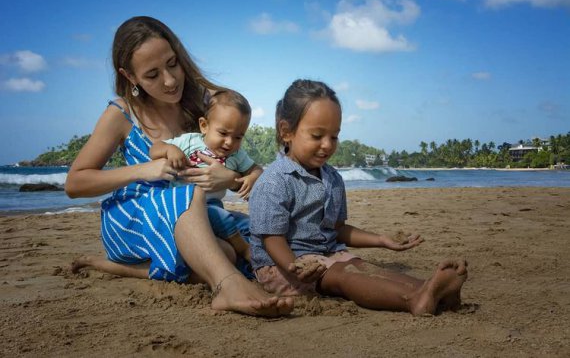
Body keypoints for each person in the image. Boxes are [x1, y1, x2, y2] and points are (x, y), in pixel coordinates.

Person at [64, 16, 293, 317]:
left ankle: (135, 269)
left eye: (173, 64)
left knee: (230, 248)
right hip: (133, 218)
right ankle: (228, 286)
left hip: (197, 219)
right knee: (192, 202)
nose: (170, 81)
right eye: (152, 75)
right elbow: (75, 184)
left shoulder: (204, 104)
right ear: (130, 77)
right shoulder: (121, 113)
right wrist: (143, 170)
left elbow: (251, 169)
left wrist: (233, 179)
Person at [248, 79, 467, 316]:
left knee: (361, 266)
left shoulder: (332, 178)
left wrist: (382, 240)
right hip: (282, 264)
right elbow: (272, 238)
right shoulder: (274, 181)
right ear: (286, 132)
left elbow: (337, 229)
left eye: (334, 137)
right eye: (317, 135)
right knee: (343, 275)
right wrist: (294, 264)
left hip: (326, 254)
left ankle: (430, 289)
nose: (327, 145)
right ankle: (412, 299)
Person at [149, 89, 262, 262]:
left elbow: (257, 169)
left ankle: (239, 243)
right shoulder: (189, 141)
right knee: (223, 218)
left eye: (238, 137)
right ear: (204, 125)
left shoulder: (237, 155)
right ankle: (244, 250)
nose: (229, 142)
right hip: (184, 208)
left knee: (247, 222)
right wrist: (170, 149)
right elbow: (155, 149)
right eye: (223, 133)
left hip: (214, 206)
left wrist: (252, 177)